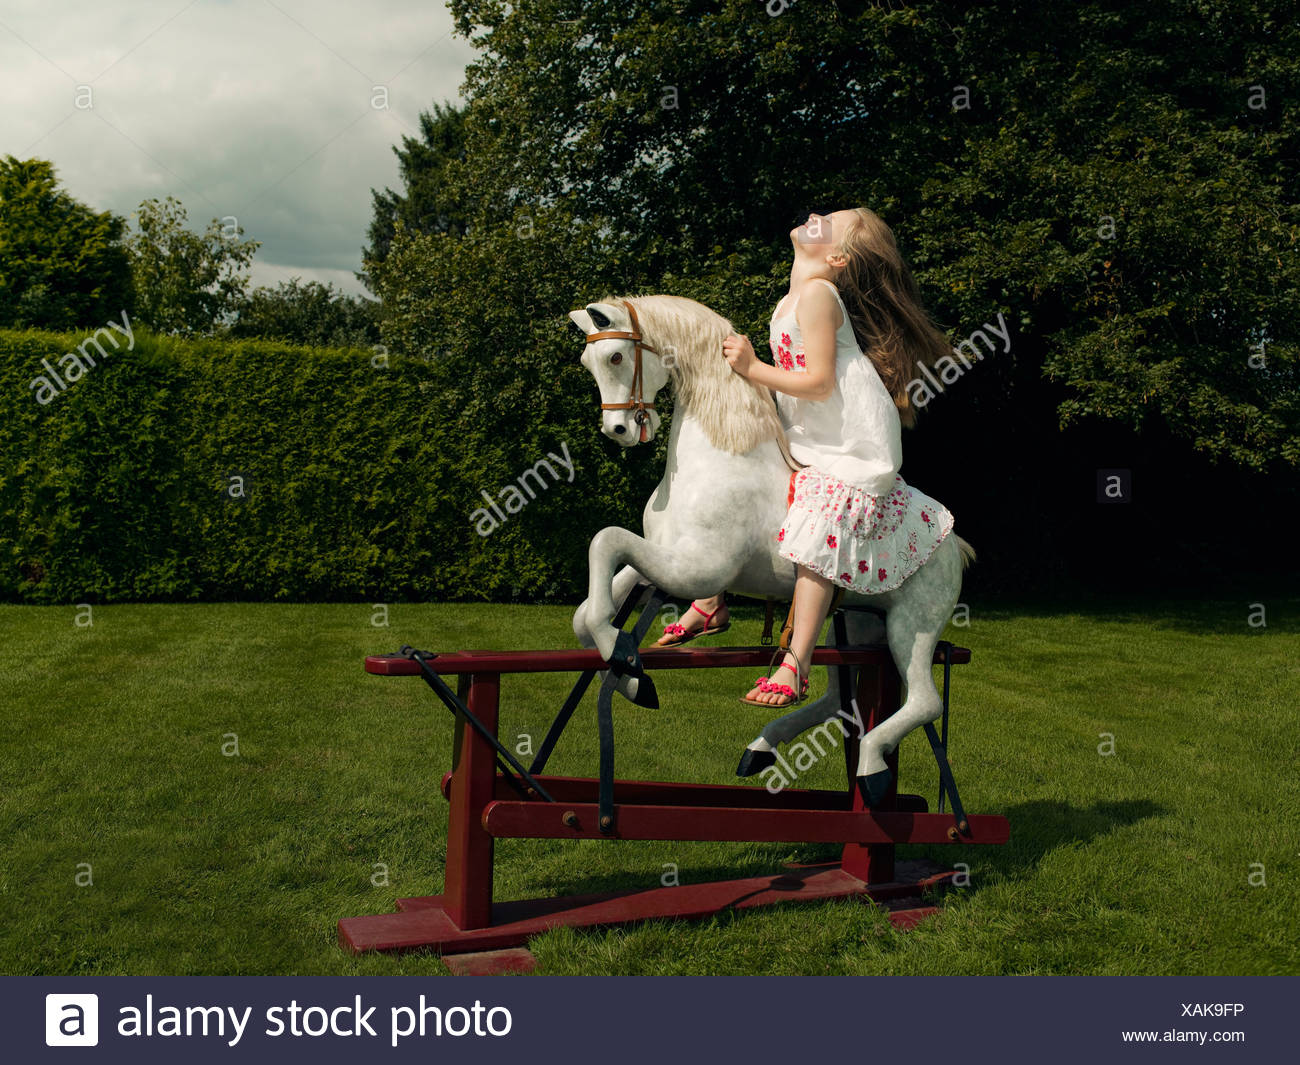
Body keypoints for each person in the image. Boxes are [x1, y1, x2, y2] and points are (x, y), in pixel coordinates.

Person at [657, 208, 956, 706]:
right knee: (754, 494)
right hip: (813, 430)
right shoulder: (789, 300)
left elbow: (817, 383)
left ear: (837, 256)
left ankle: (796, 663)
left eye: (828, 221)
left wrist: (752, 367)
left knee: (820, 515)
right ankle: (710, 600)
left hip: (850, 438)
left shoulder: (819, 295)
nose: (814, 215)